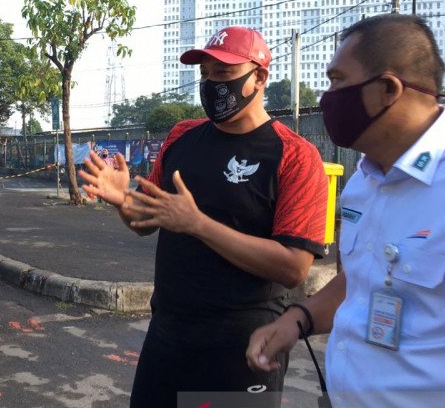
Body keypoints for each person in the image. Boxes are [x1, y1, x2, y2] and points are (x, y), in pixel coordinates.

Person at [81, 26, 328, 407]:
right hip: (168, 334)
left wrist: (198, 224)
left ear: (259, 77)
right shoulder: (182, 136)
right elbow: (147, 221)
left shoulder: (294, 155)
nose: (212, 85)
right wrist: (121, 199)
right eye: (206, 75)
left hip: (244, 348)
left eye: (224, 74)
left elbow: (294, 267)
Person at [247, 14, 445, 407]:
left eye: (338, 80)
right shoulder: (364, 178)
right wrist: (297, 321)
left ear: (388, 89)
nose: (328, 96)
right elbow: (362, 278)